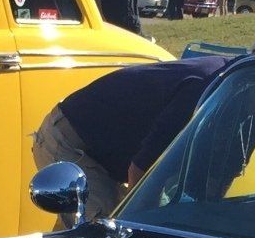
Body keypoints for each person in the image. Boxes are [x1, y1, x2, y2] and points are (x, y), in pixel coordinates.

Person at [31, 55, 231, 222]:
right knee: (108, 237)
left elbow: (218, 182)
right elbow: (141, 171)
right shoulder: (203, 88)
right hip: (69, 139)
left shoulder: (251, 96)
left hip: (111, 155)